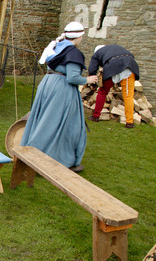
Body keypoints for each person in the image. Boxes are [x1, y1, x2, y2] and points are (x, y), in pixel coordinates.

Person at [20, 22, 98, 173]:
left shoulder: (56, 46)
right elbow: (73, 78)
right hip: (61, 89)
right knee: (63, 125)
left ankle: (36, 154)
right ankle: (41, 159)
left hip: (48, 84)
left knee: (44, 120)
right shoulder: (73, 52)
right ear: (79, 36)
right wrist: (88, 80)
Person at [87, 45, 140, 128]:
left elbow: (92, 69)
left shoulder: (97, 54)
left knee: (102, 92)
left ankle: (96, 116)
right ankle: (129, 123)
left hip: (113, 67)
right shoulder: (113, 48)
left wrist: (93, 83)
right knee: (128, 96)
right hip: (129, 66)